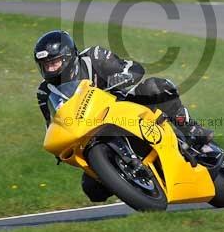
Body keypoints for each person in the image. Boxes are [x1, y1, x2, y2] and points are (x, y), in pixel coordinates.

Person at [34, 29, 213, 202]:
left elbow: (134, 68)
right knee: (92, 190)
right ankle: (126, 179)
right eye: (46, 65)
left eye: (54, 62)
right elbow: (52, 122)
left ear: (68, 56)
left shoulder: (94, 57)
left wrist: (122, 77)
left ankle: (192, 129)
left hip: (124, 108)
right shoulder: (44, 92)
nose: (50, 68)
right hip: (89, 131)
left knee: (156, 88)